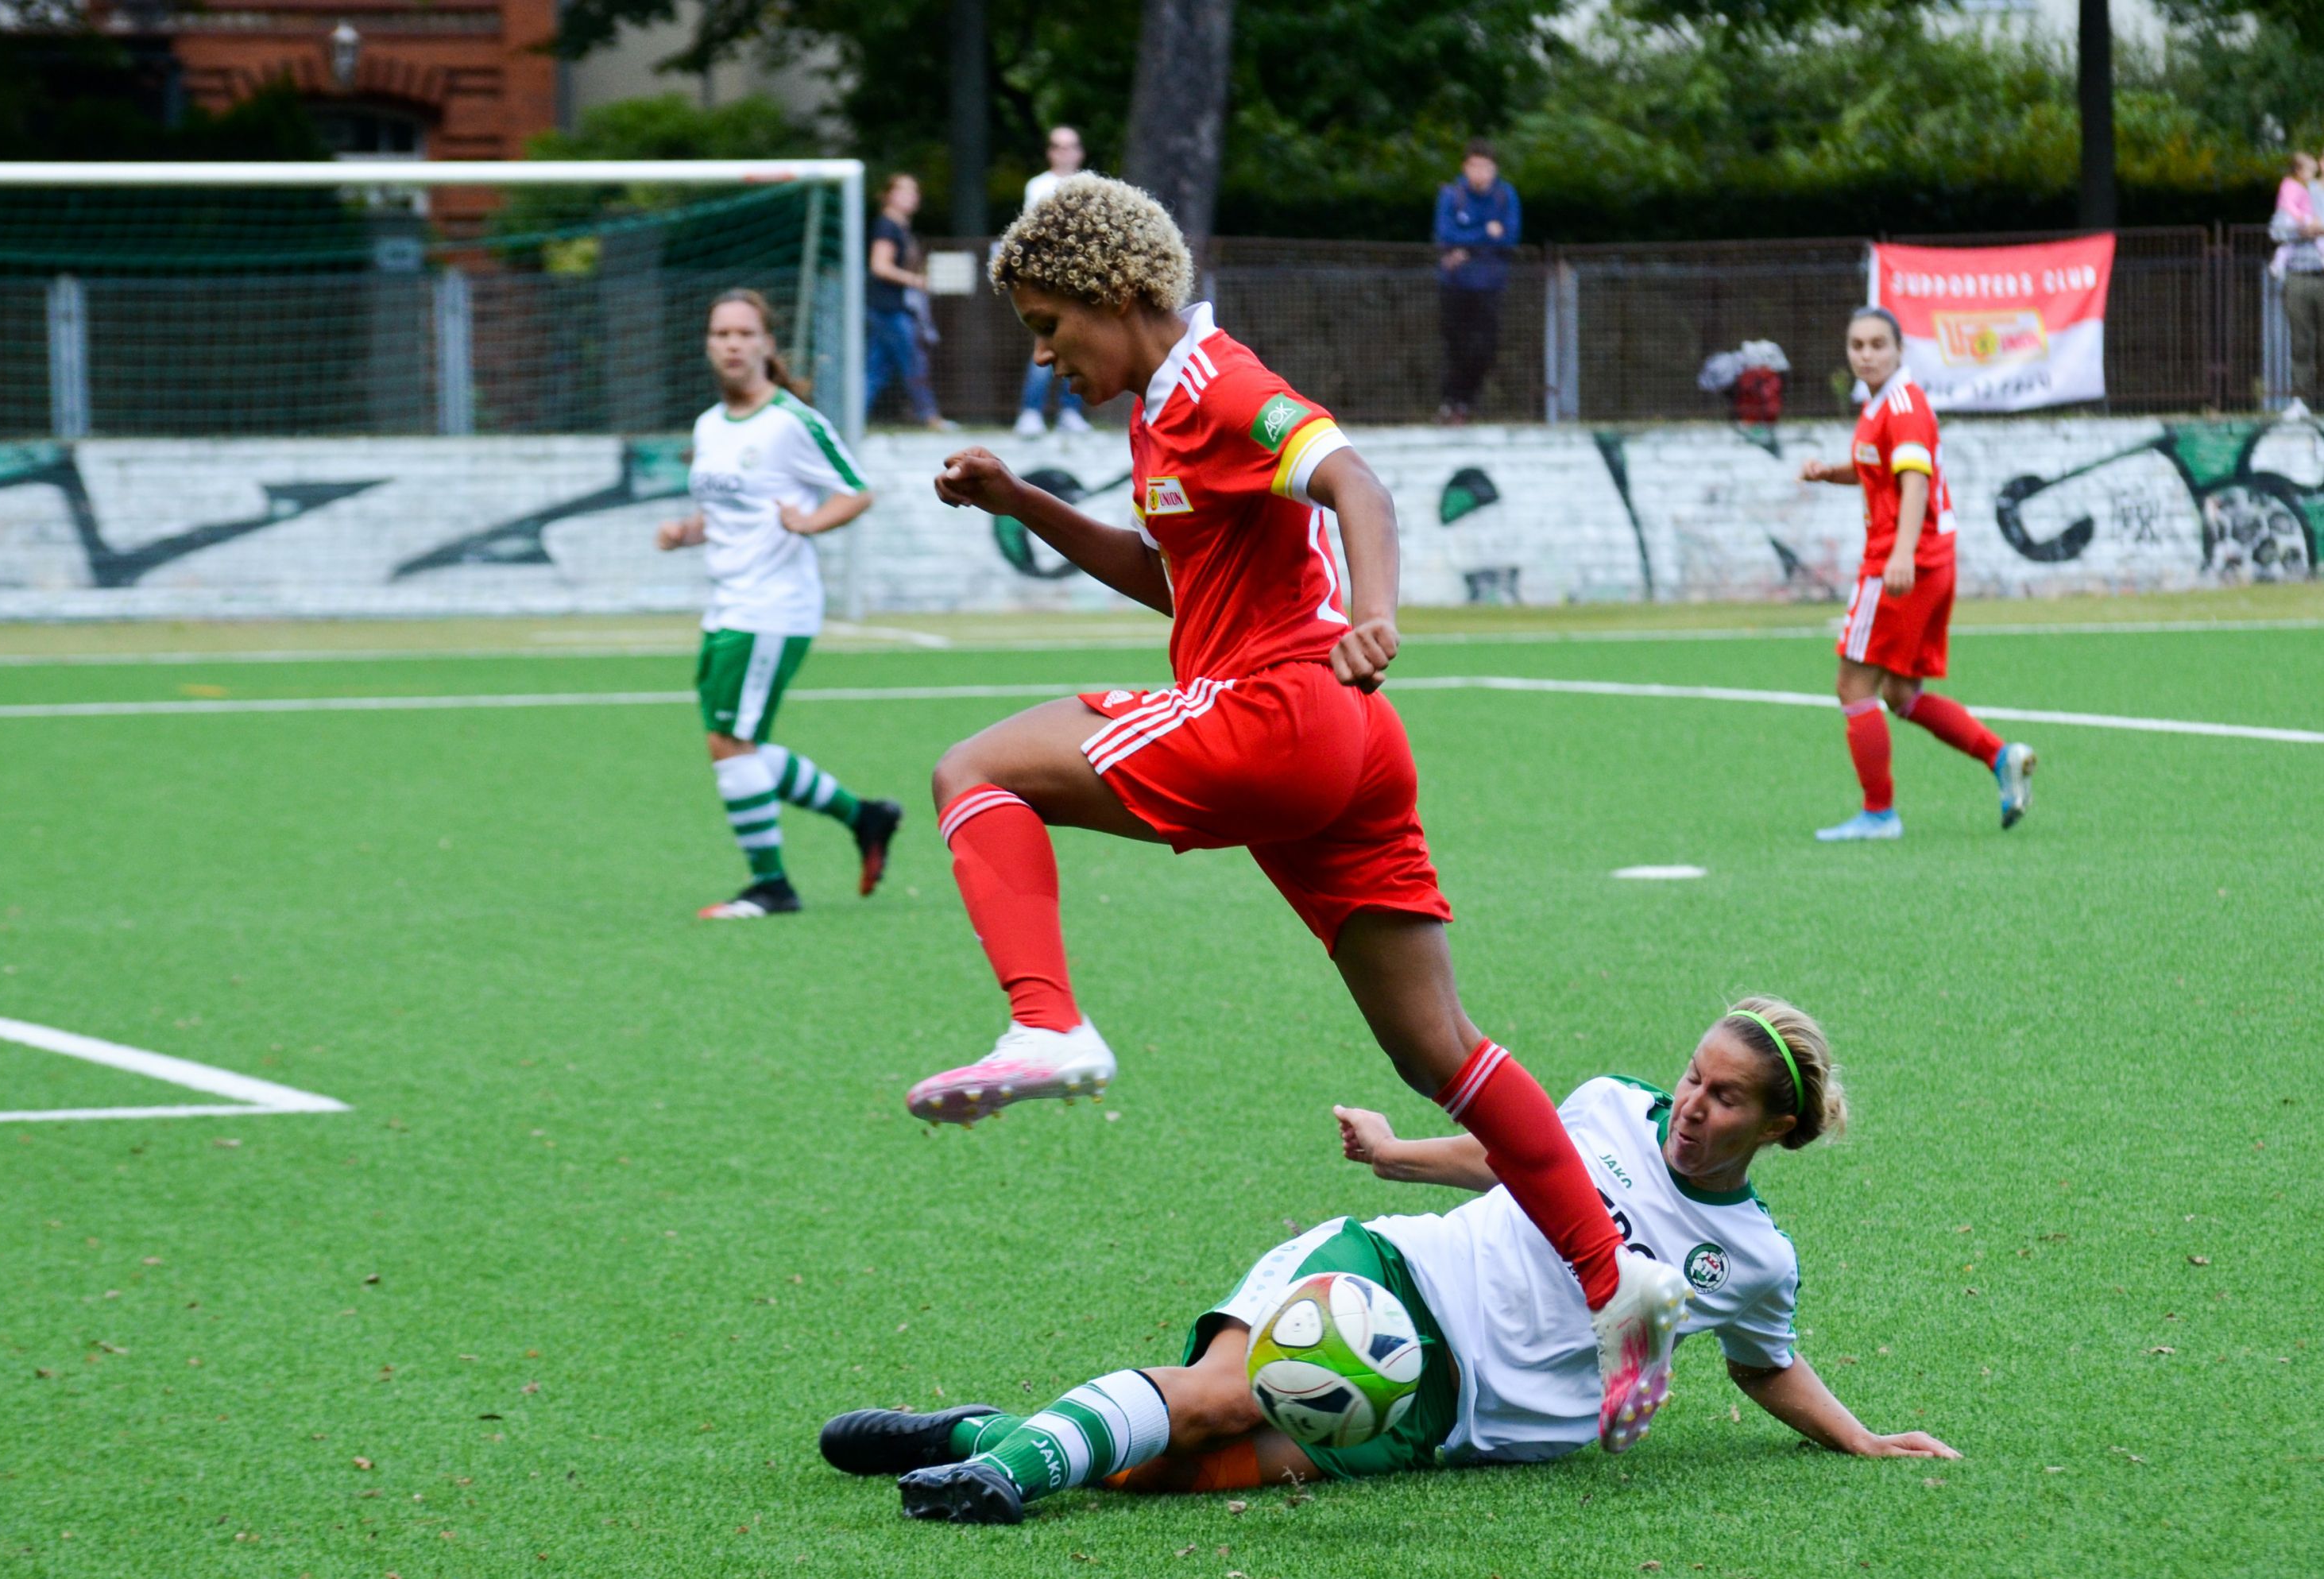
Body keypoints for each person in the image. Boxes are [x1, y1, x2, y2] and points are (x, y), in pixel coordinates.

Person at [907, 173, 1687, 1453]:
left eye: (1052, 327)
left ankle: (1046, 1024)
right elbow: (1175, 576)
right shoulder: (1164, 412)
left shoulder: (1217, 381)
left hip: (1279, 710)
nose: (1046, 358)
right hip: (1348, 744)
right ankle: (1616, 1278)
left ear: (1119, 294)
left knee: (973, 771)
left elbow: (1359, 485)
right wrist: (1025, 505)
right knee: (1440, 1047)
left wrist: (1378, 608)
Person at [822, 996, 1961, 1523]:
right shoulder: (1613, 1104)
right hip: (1397, 1279)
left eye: (1727, 1098)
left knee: (1188, 1472)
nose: (1693, 1106)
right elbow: (1511, 1155)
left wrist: (1857, 1435)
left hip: (1455, 1413)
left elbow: (1764, 1366)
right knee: (1219, 1397)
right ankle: (1003, 1478)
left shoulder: (1755, 1258)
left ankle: (972, 1431)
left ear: (1780, 1128)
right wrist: (1396, 1154)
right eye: (1696, 1075)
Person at [655, 288, 903, 918]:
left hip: (772, 608)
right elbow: (729, 513)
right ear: (709, 345)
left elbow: (856, 491)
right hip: (728, 605)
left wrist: (810, 524)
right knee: (737, 742)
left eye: (744, 333)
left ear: (767, 344)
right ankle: (865, 816)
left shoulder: (792, 422)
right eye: (720, 334)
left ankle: (772, 886)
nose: (732, 344)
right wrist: (688, 531)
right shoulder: (710, 425)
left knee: (729, 742)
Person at [1800, 307, 2035, 842]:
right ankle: (2001, 757)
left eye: (1878, 344)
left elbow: (1914, 484)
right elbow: (1878, 471)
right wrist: (1829, 472)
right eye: (1857, 344)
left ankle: (1879, 814)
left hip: (1900, 563)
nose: (1866, 354)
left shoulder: (1902, 407)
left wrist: (1900, 553)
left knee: (1852, 684)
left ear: (1900, 349)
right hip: (1930, 562)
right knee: (1902, 693)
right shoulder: (1883, 403)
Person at [1432, 139, 1521, 424]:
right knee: (1455, 345)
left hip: (1490, 286)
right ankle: (1453, 403)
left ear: (1494, 169)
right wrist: (1485, 233)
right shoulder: (1451, 194)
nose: (1480, 173)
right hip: (1455, 284)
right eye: (1475, 166)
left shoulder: (1505, 196)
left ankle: (1464, 402)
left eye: (1486, 167)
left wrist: (1466, 244)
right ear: (1465, 167)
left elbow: (1509, 237)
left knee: (1484, 347)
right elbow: (1445, 235)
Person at [1014, 126, 1094, 439]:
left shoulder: (1090, 185)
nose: (1065, 153)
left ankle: (1070, 412)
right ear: (1050, 152)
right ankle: (1031, 412)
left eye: (1071, 146)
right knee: (1045, 344)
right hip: (1048, 281)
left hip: (1080, 281)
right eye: (1059, 147)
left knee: (1079, 345)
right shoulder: (1038, 187)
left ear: (1079, 152)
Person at [864, 173, 949, 429]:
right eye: (904, 191)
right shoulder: (887, 226)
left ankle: (850, 417)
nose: (912, 197)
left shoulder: (899, 227)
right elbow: (880, 266)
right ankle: (929, 416)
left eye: (914, 191)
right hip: (889, 308)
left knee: (876, 369)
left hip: (891, 308)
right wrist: (916, 281)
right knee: (914, 361)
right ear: (888, 195)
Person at [2268, 151, 2324, 420]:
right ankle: (2301, 400)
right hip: (2300, 275)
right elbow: (2277, 230)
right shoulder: (2298, 190)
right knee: (2301, 341)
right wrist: (2303, 229)